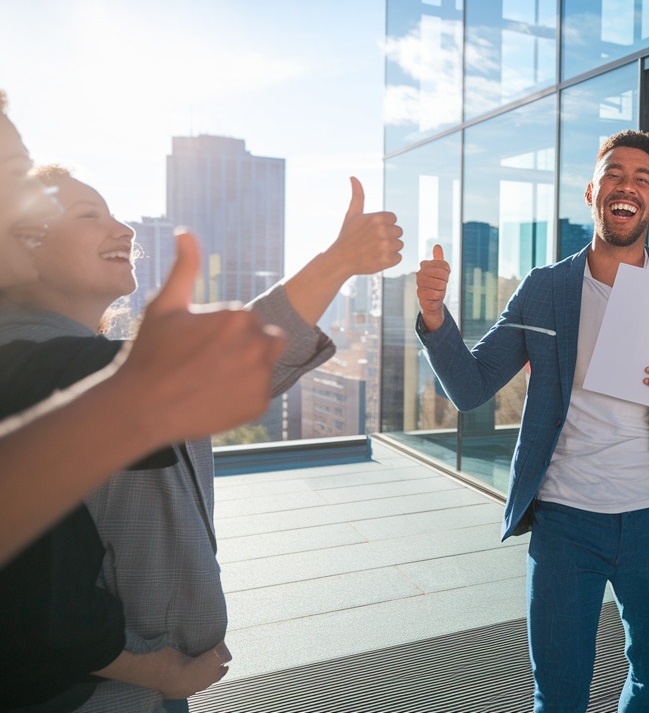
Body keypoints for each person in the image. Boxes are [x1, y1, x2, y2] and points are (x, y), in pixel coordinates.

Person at [0, 166, 403, 712]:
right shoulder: (36, 369)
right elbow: (35, 595)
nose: (125, 230)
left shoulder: (67, 361)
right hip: (100, 693)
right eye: (88, 216)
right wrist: (158, 669)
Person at [415, 130, 649, 713]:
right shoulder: (546, 288)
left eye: (642, 179)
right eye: (614, 174)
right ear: (592, 192)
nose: (626, 185)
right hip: (563, 524)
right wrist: (434, 317)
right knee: (557, 696)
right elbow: (471, 386)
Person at [0, 91, 287, 567]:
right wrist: (120, 644)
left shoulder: (74, 354)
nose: (127, 230)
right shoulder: (33, 364)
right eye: (12, 178)